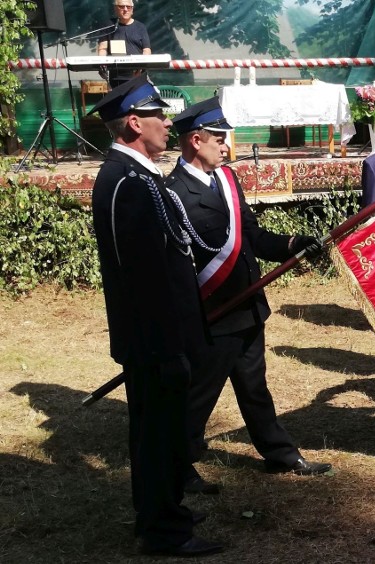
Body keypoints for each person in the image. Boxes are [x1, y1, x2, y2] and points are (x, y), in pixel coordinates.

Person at [165, 97, 332, 494]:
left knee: (254, 386)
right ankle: (177, 466)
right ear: (194, 140)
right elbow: (176, 264)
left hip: (248, 305)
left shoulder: (227, 179)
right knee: (199, 395)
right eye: (218, 139)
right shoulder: (173, 193)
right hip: (213, 312)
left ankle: (280, 454)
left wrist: (292, 243)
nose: (226, 147)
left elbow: (250, 237)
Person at [89, 75, 223, 557]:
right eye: (158, 115)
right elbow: (141, 279)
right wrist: (167, 348)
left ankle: (167, 511)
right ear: (133, 122)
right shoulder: (127, 182)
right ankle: (165, 530)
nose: (168, 123)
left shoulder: (140, 176)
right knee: (156, 436)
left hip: (162, 337)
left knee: (160, 435)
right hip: (154, 341)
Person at [97, 0, 151, 88]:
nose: (125, 9)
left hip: (138, 75)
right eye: (122, 7)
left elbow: (146, 50)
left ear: (132, 10)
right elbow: (103, 48)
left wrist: (141, 65)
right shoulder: (109, 26)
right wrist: (101, 64)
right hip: (117, 77)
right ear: (115, 8)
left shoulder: (140, 27)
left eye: (128, 7)